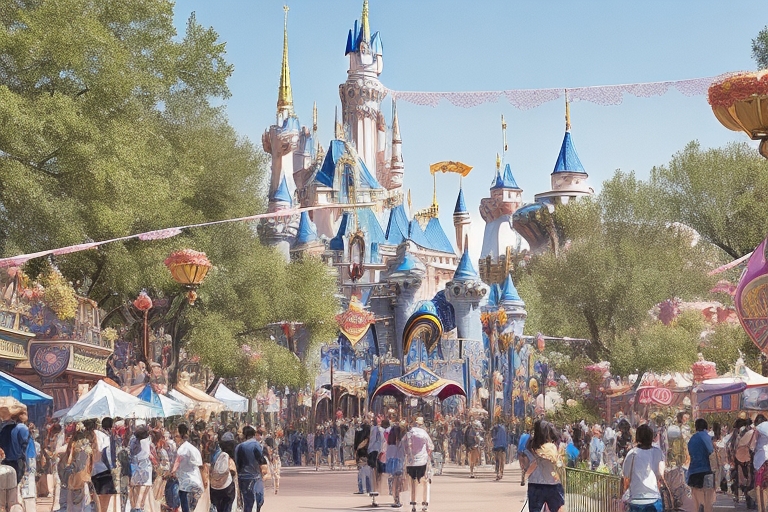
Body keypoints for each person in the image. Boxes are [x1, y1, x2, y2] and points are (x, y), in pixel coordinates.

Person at [622, 423, 666, 512]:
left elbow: (626, 478)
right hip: (654, 498)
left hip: (636, 499)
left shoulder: (632, 454)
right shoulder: (657, 452)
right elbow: (660, 475)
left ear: (638, 438)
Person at [524, 420, 564, 512]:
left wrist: (525, 476)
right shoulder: (554, 445)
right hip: (553, 484)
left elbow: (527, 463)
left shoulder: (530, 445)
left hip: (535, 485)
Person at [235, 426, 268, 512]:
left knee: (247, 502)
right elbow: (261, 459)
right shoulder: (256, 445)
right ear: (253, 434)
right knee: (259, 499)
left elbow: (237, 463)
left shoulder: (239, 447)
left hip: (242, 477)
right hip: (255, 477)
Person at [172, 424, 204, 512]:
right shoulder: (191, 448)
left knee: (185, 504)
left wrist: (172, 472)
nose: (175, 438)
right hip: (194, 480)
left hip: (186, 481)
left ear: (181, 436)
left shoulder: (183, 449)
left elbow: (177, 463)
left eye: (177, 436)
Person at [404, 417, 433, 512]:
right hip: (422, 461)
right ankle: (425, 503)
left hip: (411, 462)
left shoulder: (408, 434)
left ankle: (413, 503)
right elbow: (430, 446)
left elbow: (404, 447)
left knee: (413, 482)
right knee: (425, 482)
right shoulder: (424, 433)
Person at [688, 418, 715, 512]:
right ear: (706, 427)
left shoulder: (692, 438)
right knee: (708, 498)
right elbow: (711, 451)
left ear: (696, 427)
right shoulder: (706, 436)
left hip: (693, 470)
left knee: (695, 499)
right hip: (706, 469)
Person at [210, 432, 237, 512]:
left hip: (215, 486)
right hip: (228, 485)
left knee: (219, 507)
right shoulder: (233, 453)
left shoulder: (215, 453)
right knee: (228, 506)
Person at [385, 422, 405, 509]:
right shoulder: (401, 442)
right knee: (398, 482)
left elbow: (388, 455)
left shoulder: (390, 444)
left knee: (394, 481)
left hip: (391, 463)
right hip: (399, 462)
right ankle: (397, 498)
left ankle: (395, 498)